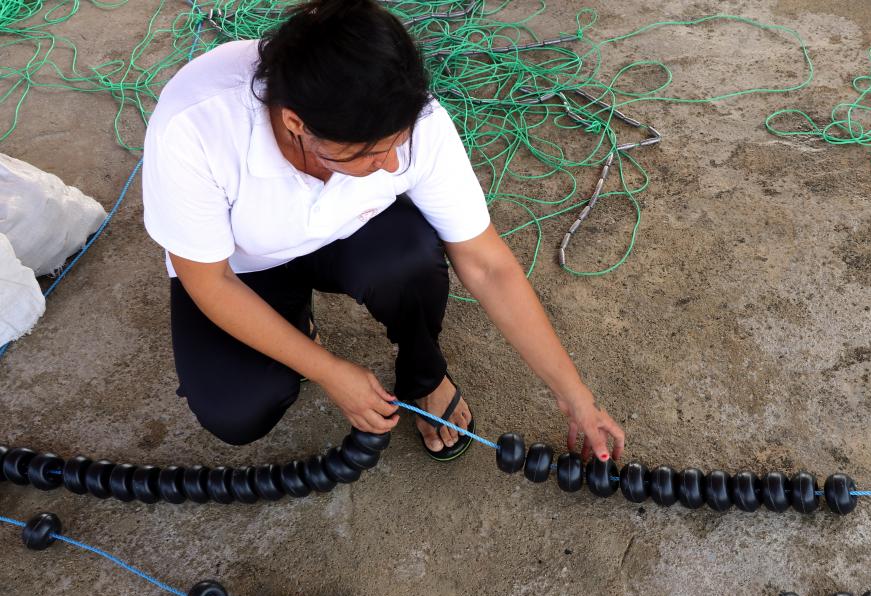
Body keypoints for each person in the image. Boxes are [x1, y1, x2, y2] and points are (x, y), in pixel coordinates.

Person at [141, 0, 624, 463]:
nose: (392, 165)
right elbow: (209, 281)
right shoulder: (193, 127)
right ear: (296, 125)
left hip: (350, 236)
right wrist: (327, 369)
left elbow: (487, 264)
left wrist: (574, 394)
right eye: (370, 154)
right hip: (241, 266)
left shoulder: (408, 114)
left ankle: (426, 377)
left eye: (399, 144)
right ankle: (294, 324)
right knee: (237, 410)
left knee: (410, 257)